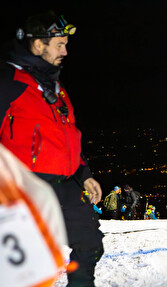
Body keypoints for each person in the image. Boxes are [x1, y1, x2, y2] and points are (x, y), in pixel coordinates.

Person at [0, 11, 104, 286]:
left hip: (64, 185)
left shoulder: (54, 86)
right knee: (27, 269)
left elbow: (68, 136)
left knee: (90, 244)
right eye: (60, 44)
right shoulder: (8, 83)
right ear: (38, 45)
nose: (66, 51)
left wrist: (85, 174)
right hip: (26, 190)